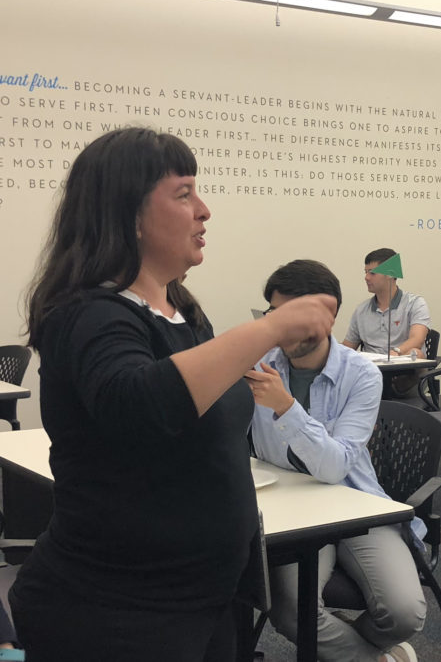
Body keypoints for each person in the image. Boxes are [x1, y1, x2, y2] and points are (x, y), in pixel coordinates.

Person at [11, 127, 335, 662]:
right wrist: (268, 328)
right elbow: (137, 404)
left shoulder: (184, 310)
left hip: (202, 599)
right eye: (184, 194)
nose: (203, 210)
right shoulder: (88, 313)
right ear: (129, 215)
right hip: (119, 613)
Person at [248, 259, 426, 662]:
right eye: (275, 315)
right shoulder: (261, 364)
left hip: (353, 501)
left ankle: (349, 651)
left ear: (326, 316)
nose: (281, 328)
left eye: (293, 315)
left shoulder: (361, 374)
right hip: (289, 510)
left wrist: (286, 407)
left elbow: (334, 467)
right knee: (292, 612)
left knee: (403, 614)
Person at [343, 247, 431, 397]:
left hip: (403, 371)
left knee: (415, 353)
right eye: (365, 272)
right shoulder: (361, 310)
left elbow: (417, 338)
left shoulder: (415, 303)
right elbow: (348, 346)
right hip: (371, 373)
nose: (366, 277)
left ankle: (395, 394)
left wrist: (396, 352)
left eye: (372, 272)